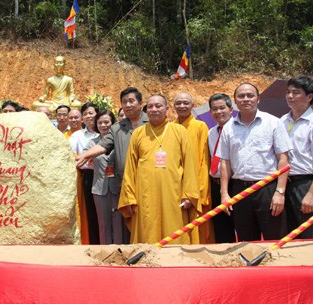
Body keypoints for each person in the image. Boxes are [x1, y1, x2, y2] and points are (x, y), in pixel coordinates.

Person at [118, 94, 199, 244]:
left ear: (167, 109)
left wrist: (188, 194)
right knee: (147, 226)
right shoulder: (138, 133)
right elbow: (130, 167)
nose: (154, 109)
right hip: (145, 193)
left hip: (173, 191)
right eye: (150, 107)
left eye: (158, 106)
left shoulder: (179, 131)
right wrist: (129, 196)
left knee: (173, 227)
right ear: (146, 110)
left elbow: (190, 165)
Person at [218, 83, 292, 241]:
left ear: (258, 99)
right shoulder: (228, 127)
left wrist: (280, 192)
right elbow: (225, 162)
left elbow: (283, 159)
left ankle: (277, 266)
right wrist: (224, 193)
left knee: (275, 236)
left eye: (250, 95)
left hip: (267, 189)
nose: (246, 99)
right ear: (235, 101)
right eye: (241, 96)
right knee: (246, 239)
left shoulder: (273, 122)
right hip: (240, 190)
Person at [75, 87, 148, 243]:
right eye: (124, 102)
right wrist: (84, 155)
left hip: (148, 181)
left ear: (140, 103)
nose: (128, 105)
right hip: (125, 183)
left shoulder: (152, 122)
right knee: (127, 218)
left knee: (146, 218)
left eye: (131, 101)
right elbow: (103, 145)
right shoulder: (117, 128)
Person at [281, 76, 313, 238]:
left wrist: (312, 194)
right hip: (284, 184)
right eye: (288, 92)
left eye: (296, 93)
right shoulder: (282, 121)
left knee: (309, 233)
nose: (290, 96)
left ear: (309, 97)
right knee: (287, 233)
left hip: (305, 184)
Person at [174, 92, 212, 243]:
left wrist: (200, 189)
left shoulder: (200, 126)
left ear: (192, 105)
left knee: (198, 227)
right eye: (178, 103)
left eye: (186, 103)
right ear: (173, 106)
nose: (182, 106)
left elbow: (204, 160)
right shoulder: (171, 127)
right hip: (176, 184)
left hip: (196, 183)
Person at [68, 102, 100, 244]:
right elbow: (68, 152)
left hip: (106, 175)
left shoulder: (105, 131)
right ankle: (92, 242)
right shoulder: (77, 135)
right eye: (85, 113)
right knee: (90, 212)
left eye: (91, 113)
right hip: (87, 176)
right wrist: (82, 158)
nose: (88, 116)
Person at [207, 93, 236, 243]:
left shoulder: (237, 129)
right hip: (215, 184)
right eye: (214, 109)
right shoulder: (211, 132)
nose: (218, 112)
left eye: (222, 108)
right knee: (221, 227)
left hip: (233, 183)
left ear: (230, 109)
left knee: (239, 223)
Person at [91, 110, 123, 244]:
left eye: (106, 122)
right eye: (100, 122)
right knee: (103, 222)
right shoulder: (91, 143)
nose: (103, 125)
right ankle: (105, 250)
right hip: (100, 188)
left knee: (119, 222)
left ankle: (121, 250)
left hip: (117, 187)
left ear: (113, 123)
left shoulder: (120, 141)